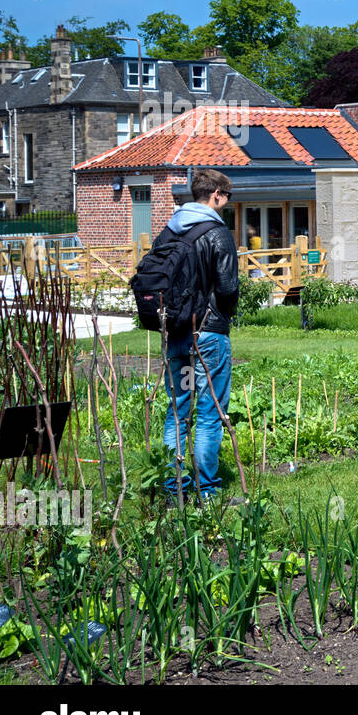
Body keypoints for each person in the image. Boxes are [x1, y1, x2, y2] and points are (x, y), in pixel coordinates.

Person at [161, 169, 239, 501]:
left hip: (175, 334)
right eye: (227, 197)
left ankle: (173, 487)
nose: (227, 203)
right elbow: (228, 287)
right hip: (207, 335)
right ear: (216, 195)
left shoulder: (170, 230)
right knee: (209, 412)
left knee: (178, 408)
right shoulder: (218, 233)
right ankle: (207, 491)